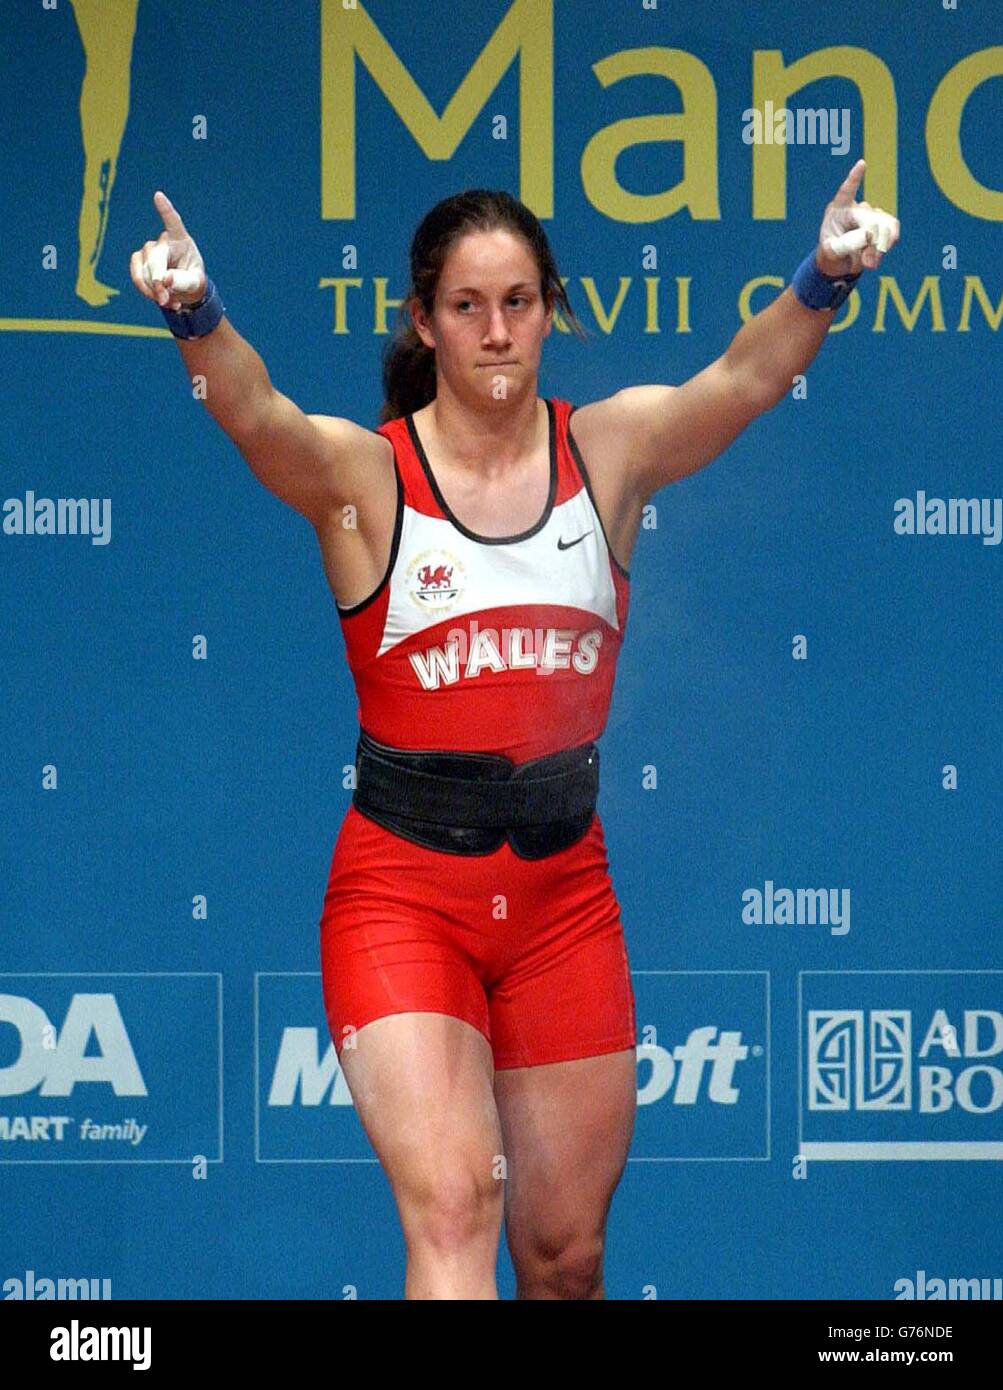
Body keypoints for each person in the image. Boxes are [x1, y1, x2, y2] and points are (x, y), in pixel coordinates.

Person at [129, 166, 898, 1299]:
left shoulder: (611, 452)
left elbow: (741, 380)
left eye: (520, 301)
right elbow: (257, 417)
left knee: (563, 1254)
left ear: (550, 309)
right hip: (401, 898)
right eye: (468, 306)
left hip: (561, 906)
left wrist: (822, 277)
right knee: (452, 1208)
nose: (497, 332)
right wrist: (196, 315)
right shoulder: (366, 478)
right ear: (424, 322)